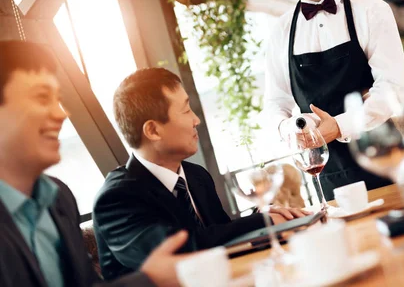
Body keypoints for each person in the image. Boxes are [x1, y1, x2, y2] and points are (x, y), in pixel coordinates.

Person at [262, 0, 404, 200]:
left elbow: (390, 90)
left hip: (388, 158)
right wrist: (290, 129)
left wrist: (338, 126)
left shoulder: (372, 11)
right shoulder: (280, 31)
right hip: (330, 174)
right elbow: (276, 102)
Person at [0, 40, 188, 287]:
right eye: (42, 97)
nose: (61, 114)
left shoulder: (59, 198)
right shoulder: (112, 194)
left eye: (57, 99)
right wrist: (147, 281)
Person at [93, 68, 309, 280]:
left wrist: (262, 213)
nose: (196, 120)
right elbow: (184, 251)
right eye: (186, 111)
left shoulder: (196, 176)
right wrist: (261, 222)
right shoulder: (116, 199)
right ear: (153, 131)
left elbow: (220, 232)